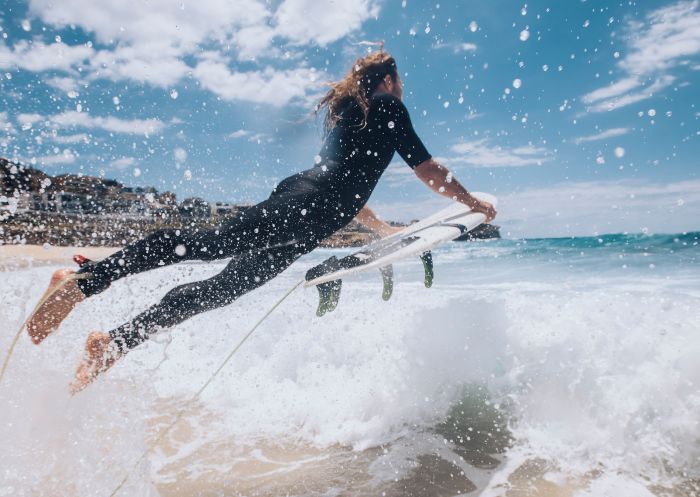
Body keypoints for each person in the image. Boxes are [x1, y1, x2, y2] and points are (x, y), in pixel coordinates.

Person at [26, 51, 497, 393]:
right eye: (401, 79)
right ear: (390, 79)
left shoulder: (358, 116)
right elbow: (427, 169)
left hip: (307, 219)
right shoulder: (387, 106)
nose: (401, 86)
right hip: (301, 208)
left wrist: (379, 230)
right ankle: (86, 279)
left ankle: (112, 343)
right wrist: (471, 201)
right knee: (207, 243)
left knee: (221, 289)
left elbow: (347, 188)